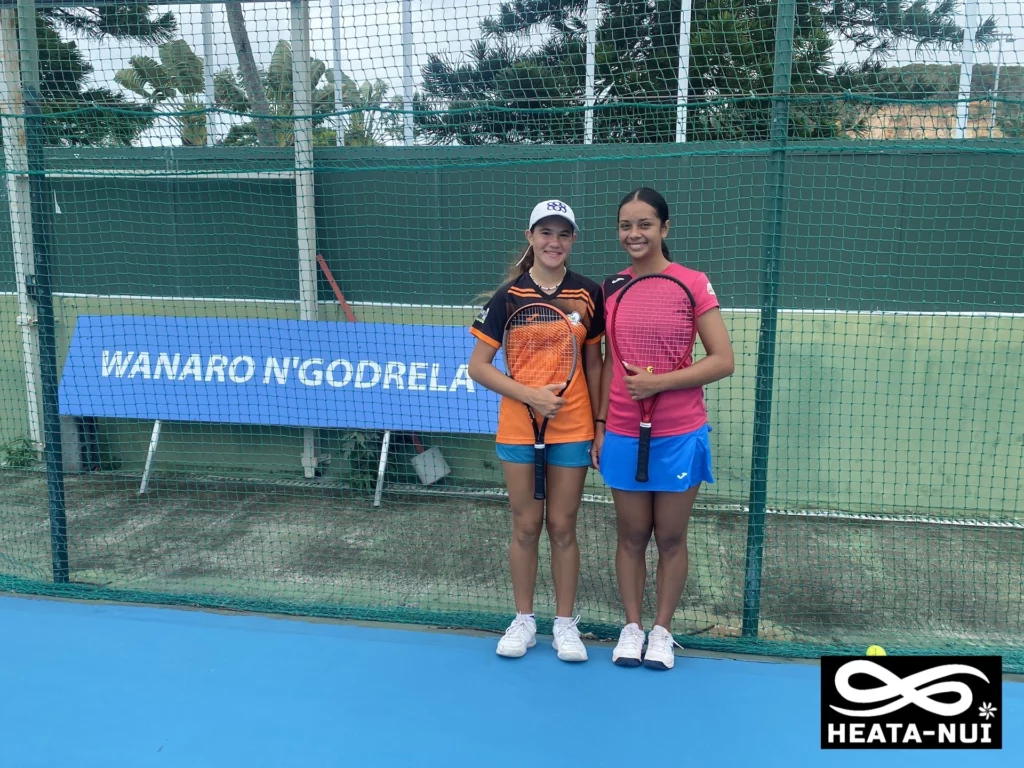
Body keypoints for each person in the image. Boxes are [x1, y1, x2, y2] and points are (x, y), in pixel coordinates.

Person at [592, 188, 735, 670]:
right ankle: (631, 628)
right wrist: (600, 424)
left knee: (671, 537)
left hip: (678, 433)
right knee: (631, 535)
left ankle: (661, 631)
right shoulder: (611, 287)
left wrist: (661, 383)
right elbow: (610, 360)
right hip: (623, 434)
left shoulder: (693, 283)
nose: (634, 234)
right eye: (626, 225)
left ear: (664, 229)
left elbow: (723, 360)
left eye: (645, 224)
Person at [468, 200, 605, 662]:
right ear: (530, 238)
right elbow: (479, 367)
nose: (554, 242)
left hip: (573, 427)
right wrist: (530, 395)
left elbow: (594, 363)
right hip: (518, 428)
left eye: (563, 234)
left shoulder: (588, 294)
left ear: (573, 241)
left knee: (563, 527)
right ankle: (524, 620)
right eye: (545, 232)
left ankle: (565, 625)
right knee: (526, 526)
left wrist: (600, 425)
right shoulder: (507, 297)